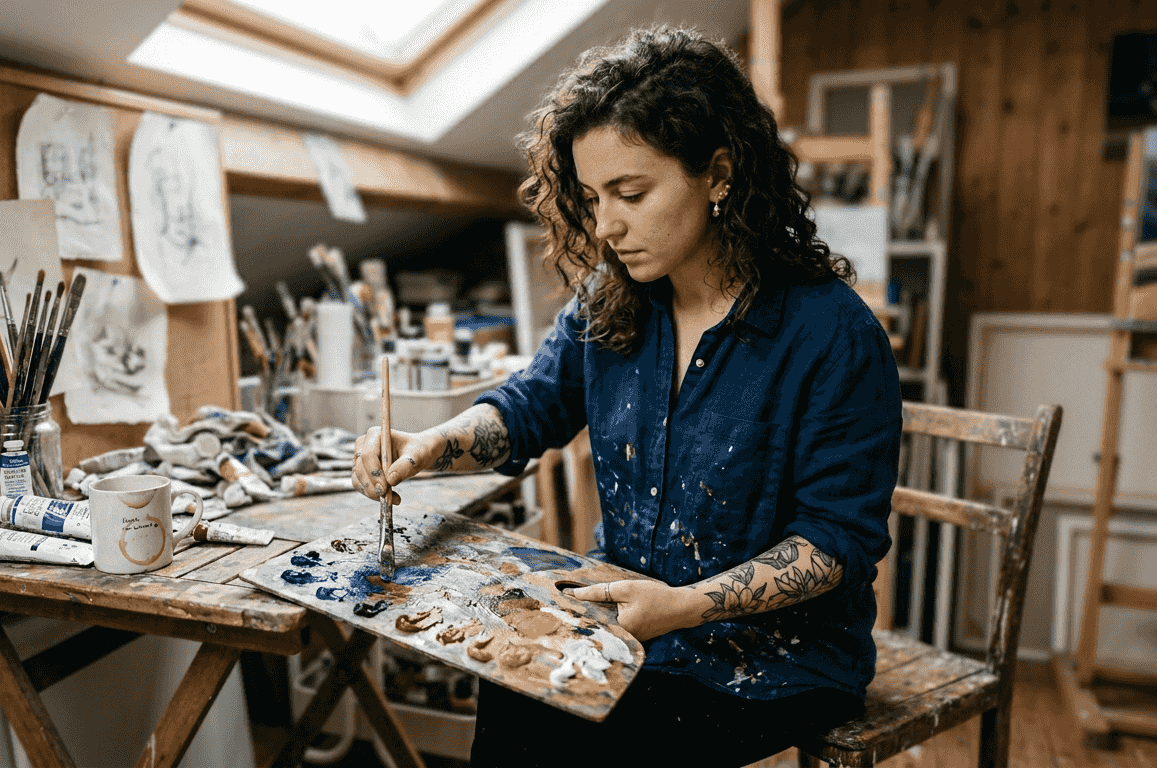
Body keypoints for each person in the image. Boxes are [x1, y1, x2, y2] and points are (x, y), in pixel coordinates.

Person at [350, 25, 900, 767]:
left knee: (574, 735)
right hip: (623, 610)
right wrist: (430, 446)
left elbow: (834, 542)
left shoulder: (832, 333)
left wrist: (683, 605)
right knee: (510, 683)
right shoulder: (614, 300)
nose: (607, 225)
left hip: (774, 656)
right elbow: (529, 408)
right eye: (592, 197)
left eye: (631, 194)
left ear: (719, 174)